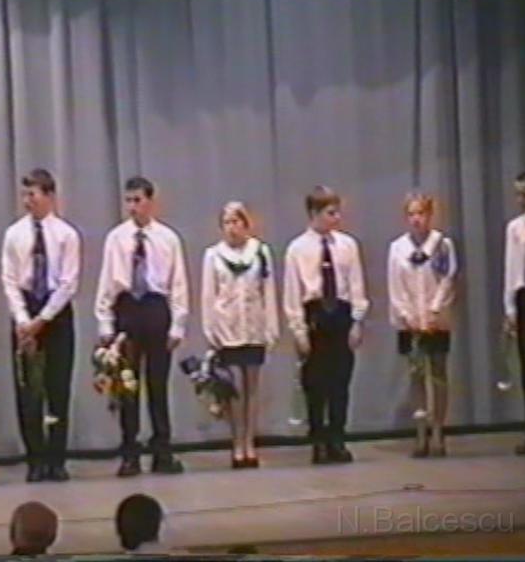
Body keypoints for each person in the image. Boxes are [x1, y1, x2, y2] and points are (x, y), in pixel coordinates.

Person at [95, 176, 189, 477]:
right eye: (129, 201)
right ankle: (130, 452)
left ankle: (162, 451)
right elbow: (107, 282)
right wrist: (106, 323)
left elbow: (178, 284)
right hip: (128, 308)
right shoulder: (117, 238)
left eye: (138, 200)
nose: (132, 207)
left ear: (151, 201)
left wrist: (178, 325)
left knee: (157, 384)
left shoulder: (168, 238)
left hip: (155, 307)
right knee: (127, 384)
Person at [2, 169, 81, 482]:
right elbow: (9, 280)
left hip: (55, 313)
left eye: (33, 194)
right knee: (28, 391)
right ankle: (34, 458)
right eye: (24, 195)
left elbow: (68, 282)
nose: (27, 201)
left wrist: (43, 319)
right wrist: (24, 320)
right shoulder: (14, 234)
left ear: (49, 196)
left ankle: (56, 459)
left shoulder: (66, 234)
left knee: (57, 387)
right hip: (26, 310)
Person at [283, 186, 369, 465]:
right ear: (314, 213)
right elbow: (292, 293)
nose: (336, 218)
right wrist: (298, 329)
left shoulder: (347, 245)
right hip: (315, 314)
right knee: (316, 382)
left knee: (340, 381)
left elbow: (356, 286)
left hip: (340, 313)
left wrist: (357, 321)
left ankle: (337, 438)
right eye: (331, 213)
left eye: (337, 212)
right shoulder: (297, 249)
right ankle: (318, 439)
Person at [201, 201, 279, 468]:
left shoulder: (260, 252)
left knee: (252, 388)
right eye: (227, 222)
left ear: (246, 224)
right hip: (228, 328)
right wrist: (211, 329)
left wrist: (270, 327)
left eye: (236, 221)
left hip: (254, 326)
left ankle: (250, 443)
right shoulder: (214, 255)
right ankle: (236, 444)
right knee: (234, 390)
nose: (232, 228)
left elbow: (268, 291)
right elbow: (209, 295)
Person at [388, 192, 458, 458]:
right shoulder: (398, 248)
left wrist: (434, 310)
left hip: (435, 320)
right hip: (410, 322)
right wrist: (407, 315)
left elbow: (448, 279)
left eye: (421, 213)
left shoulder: (442, 244)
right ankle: (420, 434)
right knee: (415, 375)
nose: (416, 219)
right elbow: (395, 286)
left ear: (430, 215)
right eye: (411, 214)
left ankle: (438, 431)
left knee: (438, 374)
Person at [504, 170, 525, 455]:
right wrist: (510, 308)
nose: (521, 200)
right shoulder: (516, 228)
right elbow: (513, 269)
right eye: (518, 194)